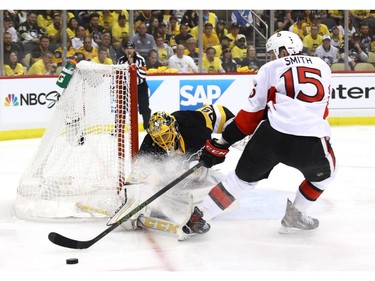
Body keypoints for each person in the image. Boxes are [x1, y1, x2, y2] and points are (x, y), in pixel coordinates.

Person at [180, 31, 337, 240]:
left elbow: (251, 116)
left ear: (284, 50)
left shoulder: (270, 68)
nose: (274, 57)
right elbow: (323, 110)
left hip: (271, 136)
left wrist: (222, 142)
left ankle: (199, 218)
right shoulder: (323, 66)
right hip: (309, 140)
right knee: (327, 174)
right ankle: (297, 213)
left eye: (275, 52)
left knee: (240, 181)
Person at [110, 104, 235, 237]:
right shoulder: (150, 142)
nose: (161, 141)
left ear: (173, 129)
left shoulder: (195, 131)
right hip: (193, 132)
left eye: (164, 136)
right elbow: (139, 171)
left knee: (193, 168)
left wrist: (209, 158)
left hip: (223, 118)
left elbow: (215, 156)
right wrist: (127, 199)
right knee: (166, 172)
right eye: (157, 138)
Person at [117, 40, 151, 130]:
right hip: (126, 88)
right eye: (127, 48)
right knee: (121, 108)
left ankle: (147, 127)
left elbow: (143, 75)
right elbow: (118, 76)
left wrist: (133, 66)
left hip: (140, 87)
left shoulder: (140, 59)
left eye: (131, 48)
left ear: (134, 49)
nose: (129, 50)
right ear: (124, 50)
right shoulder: (120, 61)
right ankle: (119, 128)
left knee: (145, 108)